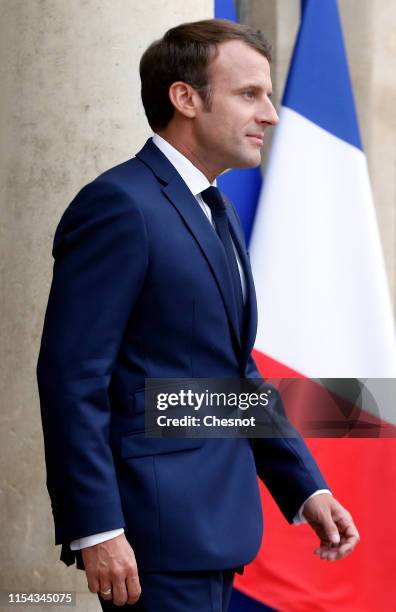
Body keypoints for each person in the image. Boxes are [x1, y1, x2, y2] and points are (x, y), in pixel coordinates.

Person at [37, 19, 359, 611]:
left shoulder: (218, 210)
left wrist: (305, 486)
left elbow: (231, 376)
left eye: (267, 94)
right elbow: (71, 379)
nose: (271, 114)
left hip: (215, 534)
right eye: (249, 94)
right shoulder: (119, 206)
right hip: (150, 540)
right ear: (185, 98)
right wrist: (98, 529)